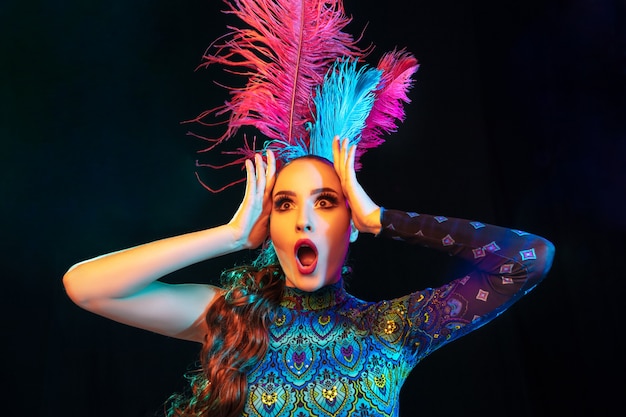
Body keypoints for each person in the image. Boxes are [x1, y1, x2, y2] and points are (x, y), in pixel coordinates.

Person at [63, 137, 554, 417]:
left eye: (326, 202)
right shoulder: (232, 320)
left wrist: (384, 219)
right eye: (284, 204)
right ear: (270, 228)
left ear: (350, 227)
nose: (304, 220)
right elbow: (86, 286)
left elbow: (529, 257)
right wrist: (230, 236)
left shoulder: (395, 329)